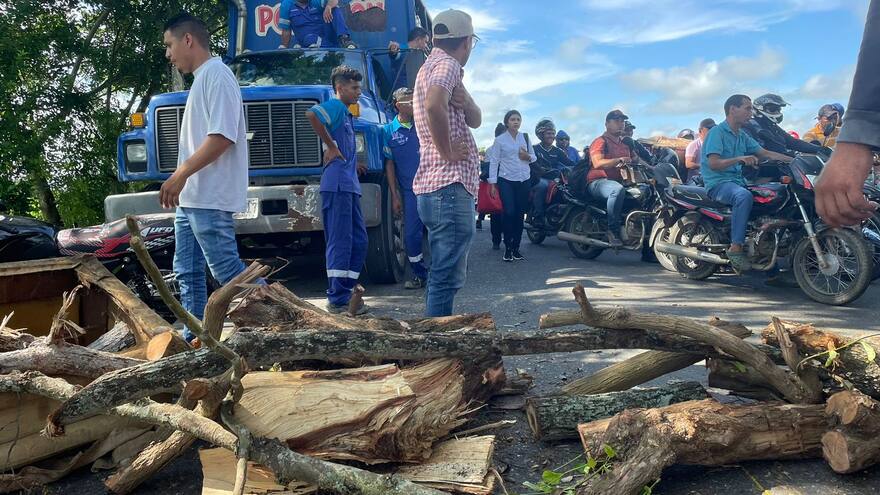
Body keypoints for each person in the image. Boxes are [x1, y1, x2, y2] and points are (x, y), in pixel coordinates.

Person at [160, 13, 249, 345]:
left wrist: (180, 174)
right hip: (192, 199)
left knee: (228, 272)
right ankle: (196, 341)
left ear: (187, 40)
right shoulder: (202, 79)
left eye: (169, 45)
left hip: (209, 197)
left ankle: (287, 324)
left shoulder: (218, 76)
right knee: (188, 272)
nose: (168, 54)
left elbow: (222, 137)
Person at [412, 9, 481, 317]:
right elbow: (433, 104)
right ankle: (438, 340)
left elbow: (476, 119)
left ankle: (434, 333)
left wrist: (466, 102)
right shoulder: (449, 64)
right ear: (466, 42)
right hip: (448, 183)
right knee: (446, 275)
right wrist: (448, 151)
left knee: (442, 271)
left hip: (434, 186)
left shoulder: (429, 66)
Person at [701, 95, 794, 272]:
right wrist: (739, 159)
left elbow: (765, 153)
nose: (751, 113)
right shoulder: (717, 133)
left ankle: (770, 267)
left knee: (772, 198)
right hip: (718, 184)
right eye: (747, 108)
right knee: (743, 196)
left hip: (738, 182)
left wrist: (795, 160)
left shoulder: (742, 135)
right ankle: (736, 247)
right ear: (732, 109)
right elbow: (713, 163)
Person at [306, 65, 368, 314]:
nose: (358, 92)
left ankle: (348, 291)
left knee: (359, 241)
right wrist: (330, 146)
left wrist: (354, 163)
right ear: (340, 88)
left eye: (359, 87)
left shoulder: (347, 113)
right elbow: (312, 114)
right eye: (354, 87)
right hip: (338, 186)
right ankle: (337, 299)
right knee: (340, 241)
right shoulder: (336, 106)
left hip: (349, 186)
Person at [816, 0, 880, 227]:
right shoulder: (812, 133)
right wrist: (856, 140)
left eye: (834, 116)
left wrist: (855, 139)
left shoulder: (838, 131)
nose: (830, 119)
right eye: (827, 116)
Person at [382, 87, 428, 289]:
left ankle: (445, 274)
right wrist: (394, 195)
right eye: (408, 101)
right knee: (411, 235)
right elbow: (389, 164)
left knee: (439, 232)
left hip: (433, 187)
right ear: (397, 105)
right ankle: (420, 274)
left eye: (414, 100)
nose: (413, 104)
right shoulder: (387, 131)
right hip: (410, 192)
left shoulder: (425, 125)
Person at [487, 110, 536, 262]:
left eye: (518, 119)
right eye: (512, 119)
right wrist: (492, 184)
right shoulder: (500, 140)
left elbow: (534, 157)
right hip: (506, 180)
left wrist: (527, 156)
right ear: (507, 122)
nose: (516, 122)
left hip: (524, 179)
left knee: (520, 214)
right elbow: (494, 161)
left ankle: (516, 248)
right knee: (509, 212)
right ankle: (508, 247)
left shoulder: (525, 137)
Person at [587, 110, 637, 247]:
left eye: (622, 121)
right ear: (607, 124)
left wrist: (654, 168)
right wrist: (619, 160)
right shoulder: (600, 141)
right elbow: (597, 163)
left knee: (645, 193)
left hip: (619, 181)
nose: (620, 124)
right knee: (617, 190)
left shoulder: (625, 144)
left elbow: (636, 160)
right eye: (616, 121)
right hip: (598, 182)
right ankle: (613, 230)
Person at [744, 94, 824, 157]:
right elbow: (755, 152)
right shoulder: (751, 126)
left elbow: (794, 142)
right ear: (759, 109)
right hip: (761, 170)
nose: (777, 112)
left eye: (778, 109)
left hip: (781, 167)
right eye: (772, 109)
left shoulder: (773, 127)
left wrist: (822, 149)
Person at [531, 119, 573, 227]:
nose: (551, 136)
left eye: (553, 133)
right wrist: (540, 169)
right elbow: (530, 163)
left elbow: (569, 162)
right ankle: (538, 216)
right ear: (541, 135)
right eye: (548, 133)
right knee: (542, 186)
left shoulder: (557, 151)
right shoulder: (534, 149)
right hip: (539, 178)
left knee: (567, 189)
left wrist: (584, 163)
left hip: (555, 178)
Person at [278, 0, 356, 49]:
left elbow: (334, 1)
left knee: (334, 9)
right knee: (309, 39)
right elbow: (286, 30)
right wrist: (284, 48)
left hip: (327, 36)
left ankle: (345, 39)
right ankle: (331, 47)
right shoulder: (286, 4)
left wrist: (329, 6)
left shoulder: (316, 1)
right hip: (307, 41)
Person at [684, 118, 716, 183]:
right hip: (695, 182)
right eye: (709, 129)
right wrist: (704, 166)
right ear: (700, 131)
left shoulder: (715, 145)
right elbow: (688, 164)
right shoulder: (694, 145)